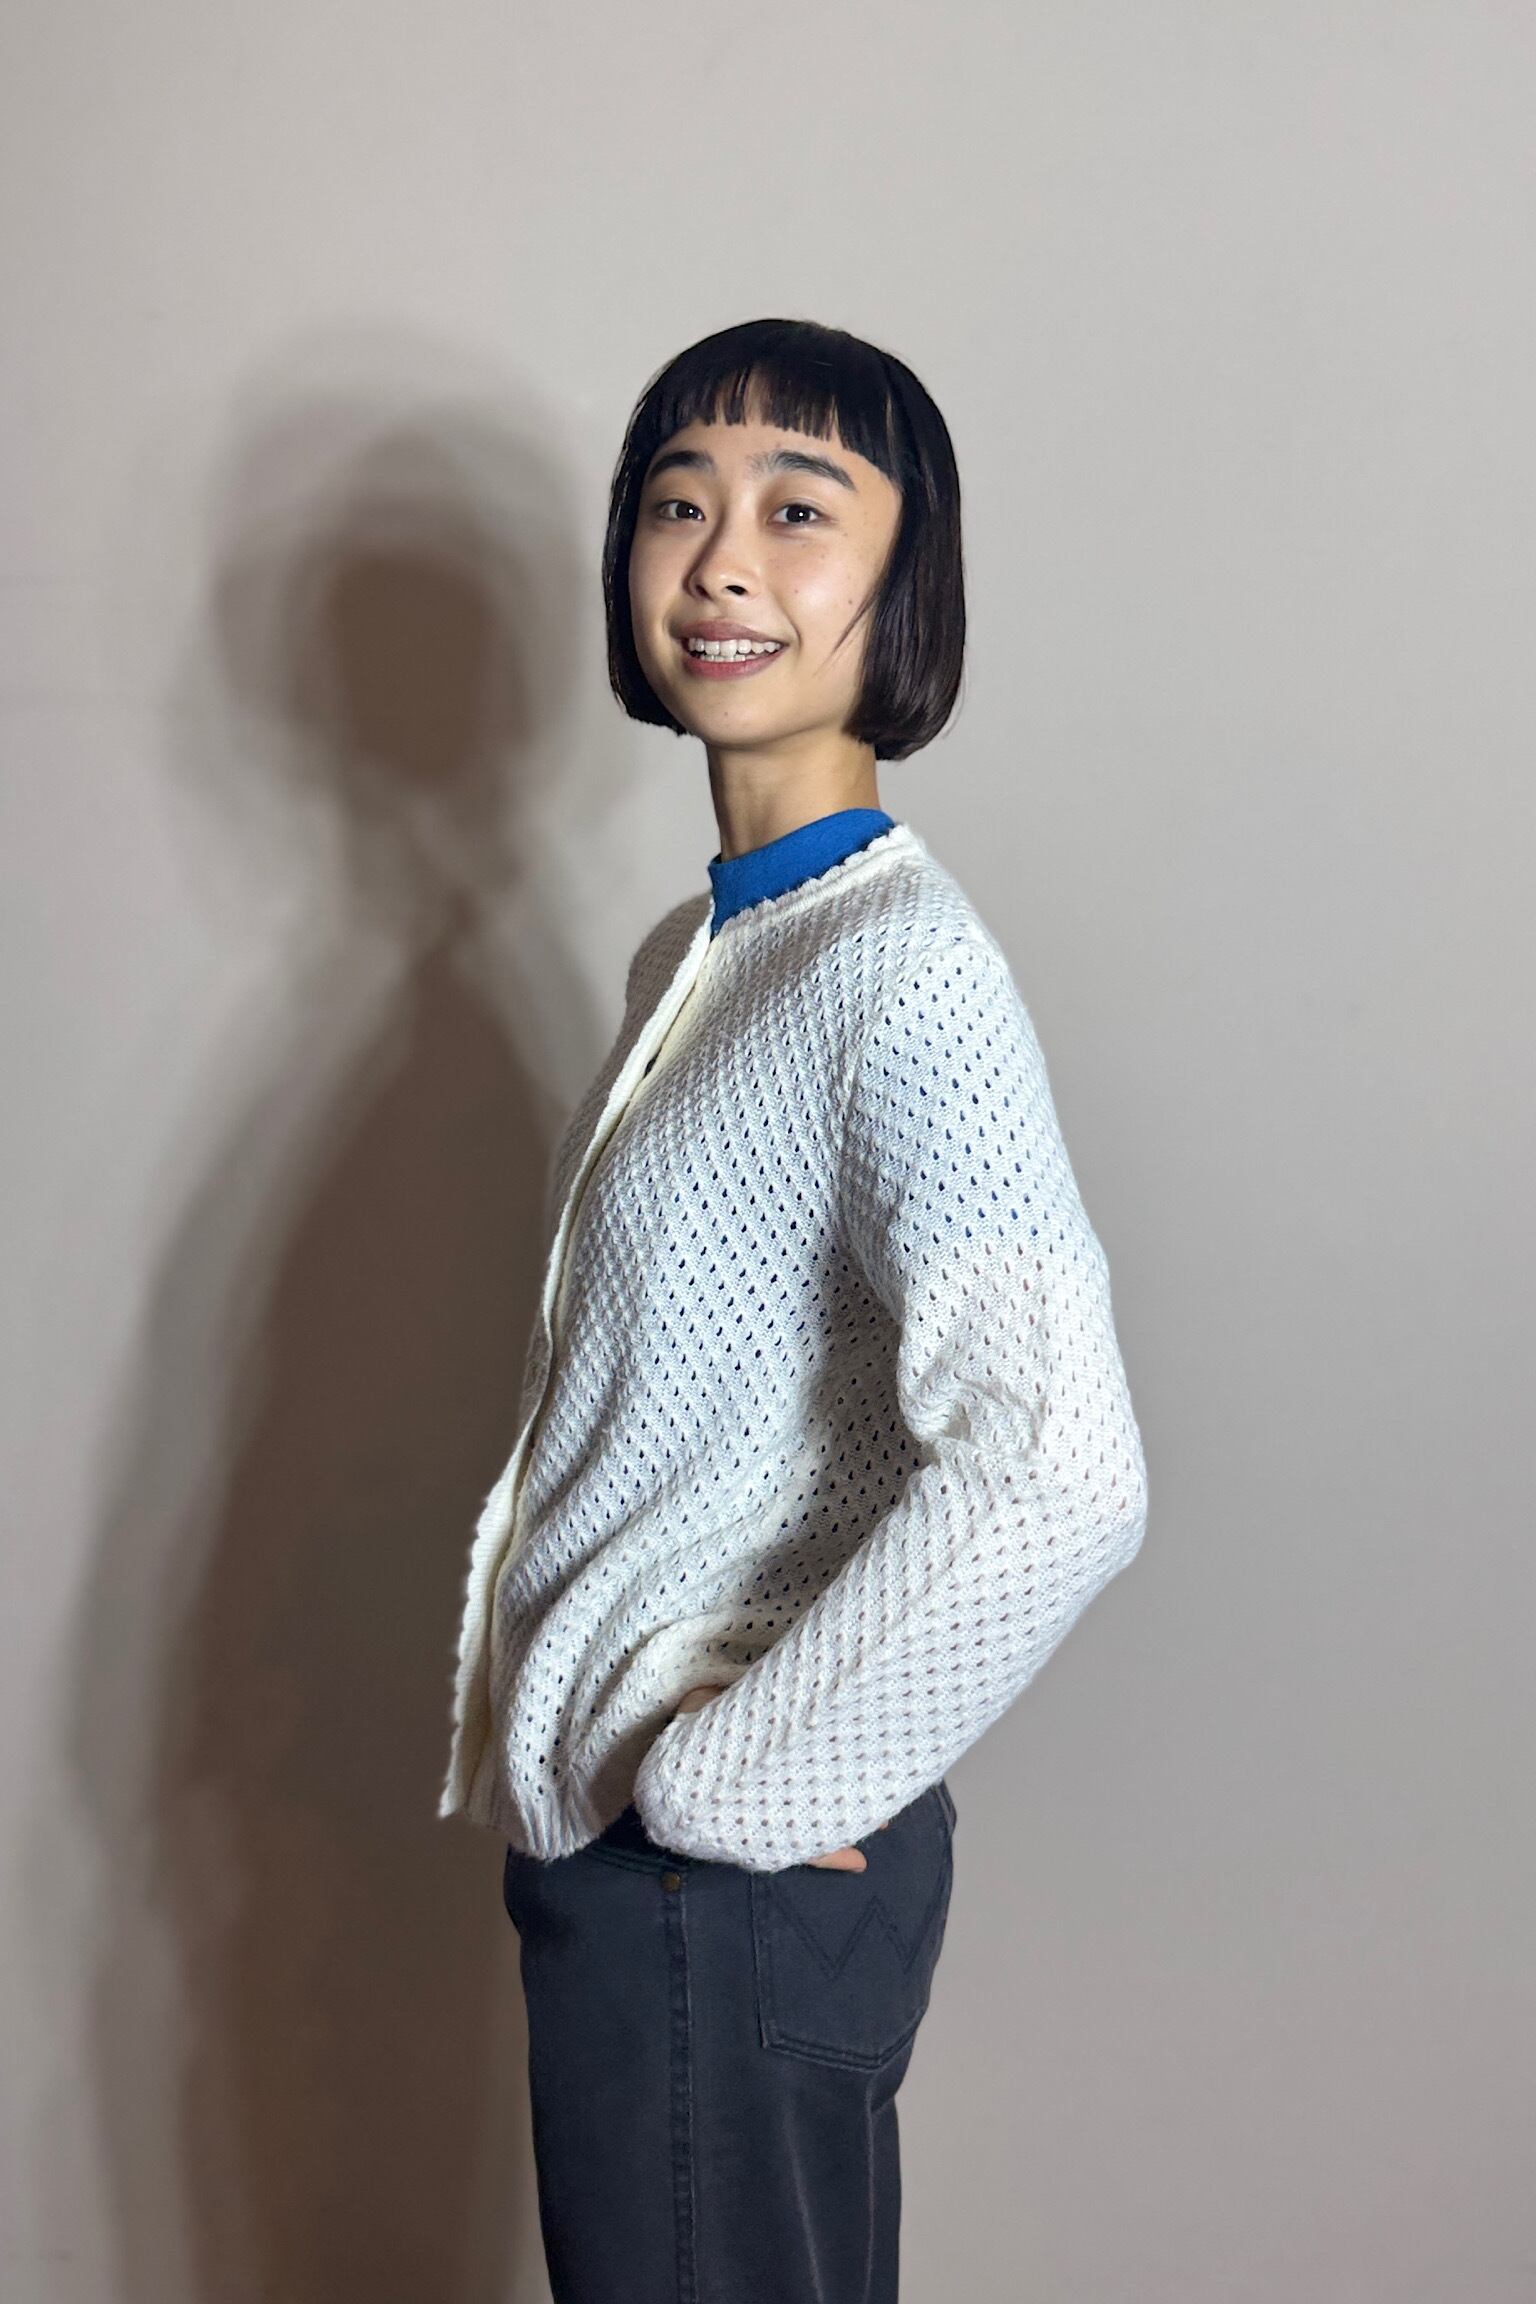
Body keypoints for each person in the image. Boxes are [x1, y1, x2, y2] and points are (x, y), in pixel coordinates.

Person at [438, 317, 1149, 2303]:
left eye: (800, 509)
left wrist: (736, 1785)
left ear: (906, 583)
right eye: (678, 503)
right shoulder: (710, 951)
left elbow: (1061, 1463)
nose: (723, 560)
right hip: (640, 1879)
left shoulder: (898, 970)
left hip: (718, 1885)